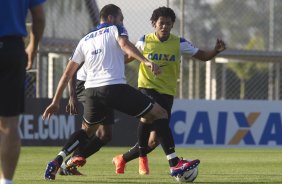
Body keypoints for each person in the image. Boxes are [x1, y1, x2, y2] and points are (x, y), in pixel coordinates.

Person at [42, 4, 199, 180]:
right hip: (113, 87)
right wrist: (145, 61)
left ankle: (57, 161)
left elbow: (67, 73)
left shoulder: (85, 39)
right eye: (121, 18)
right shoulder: (116, 28)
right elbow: (125, 45)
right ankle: (175, 164)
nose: (123, 21)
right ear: (111, 18)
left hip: (91, 91)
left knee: (87, 130)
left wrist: (55, 101)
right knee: (159, 112)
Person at [112, 6, 226, 175]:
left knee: (154, 140)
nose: (164, 26)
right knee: (154, 116)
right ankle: (172, 162)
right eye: (161, 23)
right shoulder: (145, 41)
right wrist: (109, 65)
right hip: (147, 87)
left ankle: (122, 158)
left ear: (172, 25)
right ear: (154, 24)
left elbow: (202, 56)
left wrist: (215, 51)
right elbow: (129, 57)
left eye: (168, 23)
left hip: (167, 92)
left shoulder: (179, 43)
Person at [0, 0, 45, 184]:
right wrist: (33, 48)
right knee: (10, 122)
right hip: (11, 48)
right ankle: (6, 181)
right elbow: (39, 17)